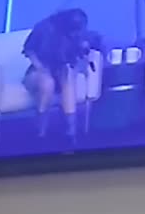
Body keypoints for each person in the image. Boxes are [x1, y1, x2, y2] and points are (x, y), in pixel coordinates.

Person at [22, 8, 100, 145]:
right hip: (38, 69)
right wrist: (41, 68)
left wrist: (84, 52)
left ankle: (70, 132)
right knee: (47, 83)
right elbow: (29, 50)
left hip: (61, 69)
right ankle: (40, 132)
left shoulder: (79, 32)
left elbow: (85, 50)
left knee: (68, 79)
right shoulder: (43, 28)